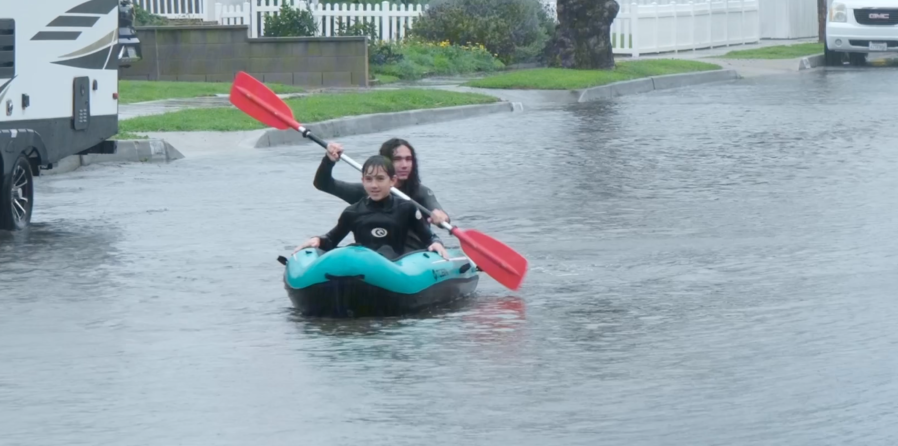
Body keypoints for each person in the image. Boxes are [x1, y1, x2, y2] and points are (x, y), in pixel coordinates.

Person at [294, 155, 450, 260]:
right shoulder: (352, 212)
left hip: (395, 264)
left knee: (385, 251)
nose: (374, 185)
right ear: (363, 180)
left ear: (392, 181)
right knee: (351, 251)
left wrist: (436, 243)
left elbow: (429, 237)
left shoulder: (407, 208)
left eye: (380, 179)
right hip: (363, 263)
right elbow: (331, 240)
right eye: (369, 179)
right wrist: (317, 240)